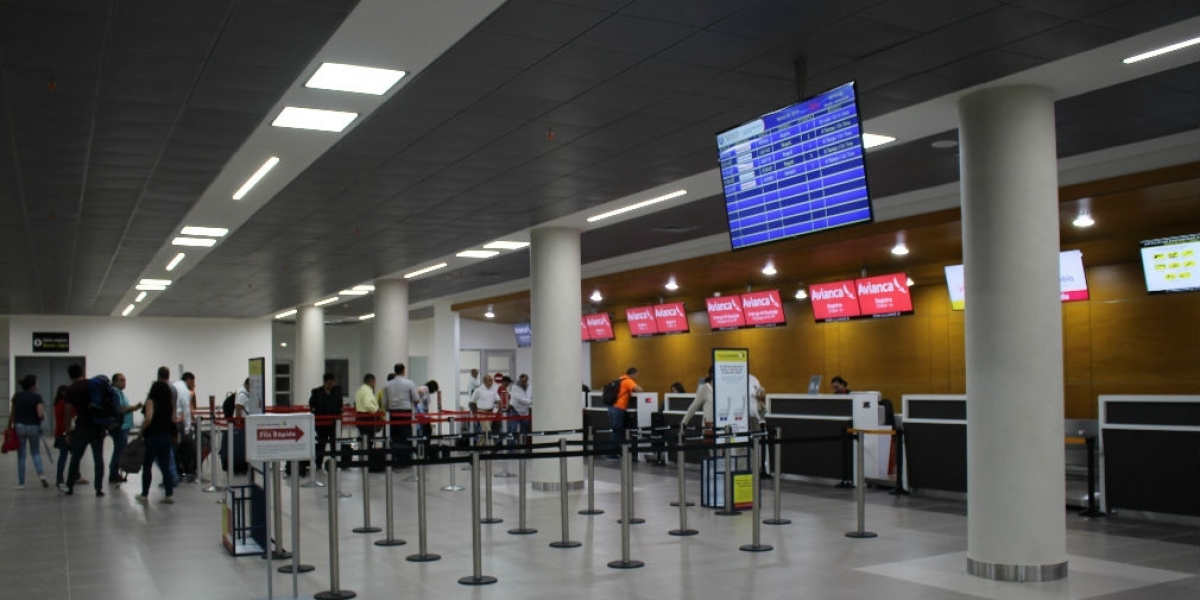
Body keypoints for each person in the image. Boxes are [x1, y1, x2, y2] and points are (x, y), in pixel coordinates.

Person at [63, 364, 107, 497]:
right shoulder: (93, 385)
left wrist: (67, 432)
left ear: (70, 376)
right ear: (82, 372)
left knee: (76, 457)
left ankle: (69, 486)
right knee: (98, 459)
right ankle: (98, 489)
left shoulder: (72, 389)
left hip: (82, 427)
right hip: (98, 427)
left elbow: (68, 411)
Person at [137, 380, 178, 504]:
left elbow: (149, 418)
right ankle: (169, 494)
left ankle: (144, 494)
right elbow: (173, 421)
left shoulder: (150, 402)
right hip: (166, 436)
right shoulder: (170, 403)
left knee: (147, 465)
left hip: (152, 437)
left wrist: (141, 430)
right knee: (165, 466)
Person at [8, 374, 48, 489]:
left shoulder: (17, 396)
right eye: (36, 383)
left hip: (19, 427)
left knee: (21, 456)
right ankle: (41, 475)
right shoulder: (37, 397)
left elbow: (12, 413)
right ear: (32, 385)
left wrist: (8, 427)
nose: (37, 385)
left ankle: (21, 483)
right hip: (33, 427)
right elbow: (40, 414)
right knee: (35, 453)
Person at [107, 373, 144, 484]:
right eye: (121, 380)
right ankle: (113, 473)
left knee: (120, 450)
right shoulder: (115, 394)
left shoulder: (120, 393)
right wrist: (135, 407)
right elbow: (121, 410)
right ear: (114, 382)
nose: (124, 382)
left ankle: (115, 472)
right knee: (119, 451)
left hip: (124, 427)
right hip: (120, 428)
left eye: (124, 380)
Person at [383, 363, 418, 466]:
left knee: (393, 436)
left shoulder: (388, 384)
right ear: (403, 370)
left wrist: (388, 409)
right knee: (405, 436)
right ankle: (405, 459)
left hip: (392, 413)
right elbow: (416, 399)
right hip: (405, 413)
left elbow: (384, 402)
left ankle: (394, 457)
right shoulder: (409, 383)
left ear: (394, 371)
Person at [606, 367, 642, 460]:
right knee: (617, 432)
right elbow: (639, 390)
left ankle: (616, 452)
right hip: (618, 408)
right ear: (633, 373)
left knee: (617, 431)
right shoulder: (628, 380)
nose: (637, 376)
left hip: (611, 407)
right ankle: (610, 454)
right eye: (637, 375)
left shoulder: (619, 379)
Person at [309, 373, 343, 469]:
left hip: (334, 423)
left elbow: (339, 404)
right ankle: (318, 463)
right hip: (322, 423)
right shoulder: (316, 392)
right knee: (321, 443)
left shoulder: (337, 391)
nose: (331, 385)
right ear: (325, 382)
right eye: (329, 383)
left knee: (334, 444)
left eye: (332, 383)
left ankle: (334, 462)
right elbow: (312, 406)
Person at [172, 372, 197, 482]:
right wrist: (188, 428)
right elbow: (186, 410)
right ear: (189, 380)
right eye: (193, 381)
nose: (194, 384)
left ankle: (177, 469)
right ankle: (188, 470)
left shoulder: (174, 385)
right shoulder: (185, 391)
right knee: (188, 446)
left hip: (171, 421)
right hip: (180, 422)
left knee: (174, 447)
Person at [52, 385, 70, 488]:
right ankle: (71, 477)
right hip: (65, 433)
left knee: (62, 456)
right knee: (70, 456)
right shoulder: (65, 404)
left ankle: (59, 478)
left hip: (59, 432)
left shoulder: (57, 404)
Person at [354, 373, 379, 439]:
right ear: (371, 381)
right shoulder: (368, 391)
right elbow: (367, 404)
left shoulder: (359, 390)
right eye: (374, 382)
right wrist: (375, 409)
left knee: (364, 439)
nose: (375, 384)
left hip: (359, 417)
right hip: (367, 418)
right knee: (368, 440)